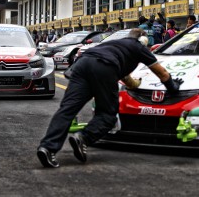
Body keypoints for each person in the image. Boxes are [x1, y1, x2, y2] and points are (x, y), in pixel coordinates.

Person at [37, 28, 183, 168]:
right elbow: (162, 73)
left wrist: (136, 84)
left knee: (67, 109)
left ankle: (47, 148)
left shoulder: (112, 45)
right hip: (104, 68)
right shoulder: (139, 47)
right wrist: (173, 87)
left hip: (82, 66)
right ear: (143, 40)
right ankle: (83, 137)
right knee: (108, 114)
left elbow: (126, 78)